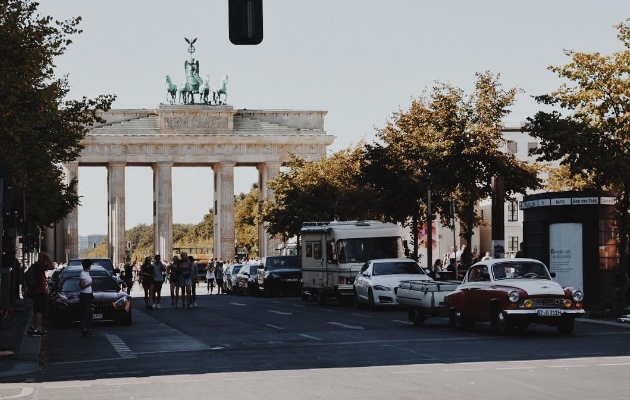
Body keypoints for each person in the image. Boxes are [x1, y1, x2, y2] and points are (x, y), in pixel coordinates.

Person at [26, 252, 53, 337]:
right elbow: (52, 267)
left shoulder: (35, 265)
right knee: (39, 311)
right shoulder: (40, 265)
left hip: (35, 292)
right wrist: (48, 257)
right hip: (40, 292)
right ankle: (35, 329)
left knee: (36, 311)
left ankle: (33, 327)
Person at [79, 259, 95, 337]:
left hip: (88, 294)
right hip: (84, 295)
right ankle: (84, 330)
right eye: (90, 265)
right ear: (88, 265)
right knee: (85, 313)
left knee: (89, 313)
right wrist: (91, 283)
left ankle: (86, 329)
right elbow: (82, 286)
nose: (90, 266)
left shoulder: (87, 273)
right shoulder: (82, 274)